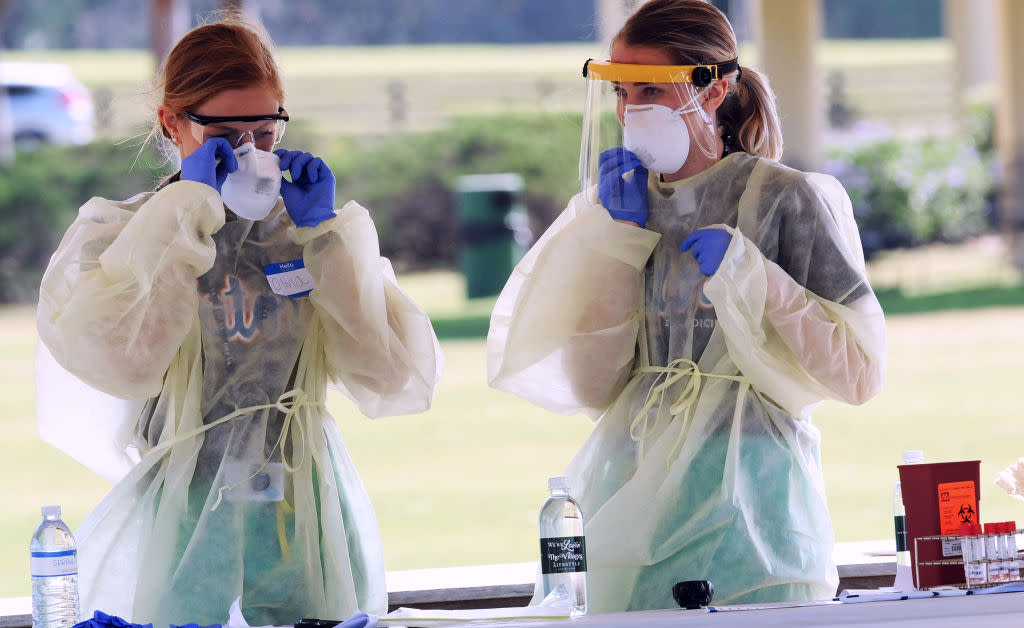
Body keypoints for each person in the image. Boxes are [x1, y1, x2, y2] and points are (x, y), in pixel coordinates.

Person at [34, 13, 443, 626]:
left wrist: (329, 239)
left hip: (302, 505)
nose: (250, 152)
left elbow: (392, 378)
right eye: (225, 134)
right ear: (172, 124)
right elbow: (122, 359)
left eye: (266, 131)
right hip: (187, 507)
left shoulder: (303, 233)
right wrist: (183, 214)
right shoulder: (119, 234)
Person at [487, 0, 886, 612]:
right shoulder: (614, 206)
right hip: (630, 498)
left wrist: (754, 277)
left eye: (652, 88)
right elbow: (592, 385)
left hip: (752, 508)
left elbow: (857, 374)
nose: (632, 109)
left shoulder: (786, 200)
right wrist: (616, 244)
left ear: (715, 87)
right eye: (621, 91)